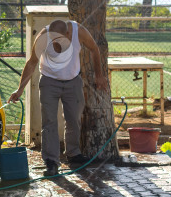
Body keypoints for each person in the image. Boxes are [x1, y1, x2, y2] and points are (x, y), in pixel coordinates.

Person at [8, 19, 108, 176]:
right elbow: (32, 63)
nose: (56, 43)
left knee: (73, 119)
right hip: (49, 81)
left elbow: (95, 49)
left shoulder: (78, 31)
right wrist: (20, 89)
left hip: (73, 81)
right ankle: (51, 161)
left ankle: (74, 154)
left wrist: (99, 75)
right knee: (49, 121)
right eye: (53, 40)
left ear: (68, 34)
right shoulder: (43, 37)